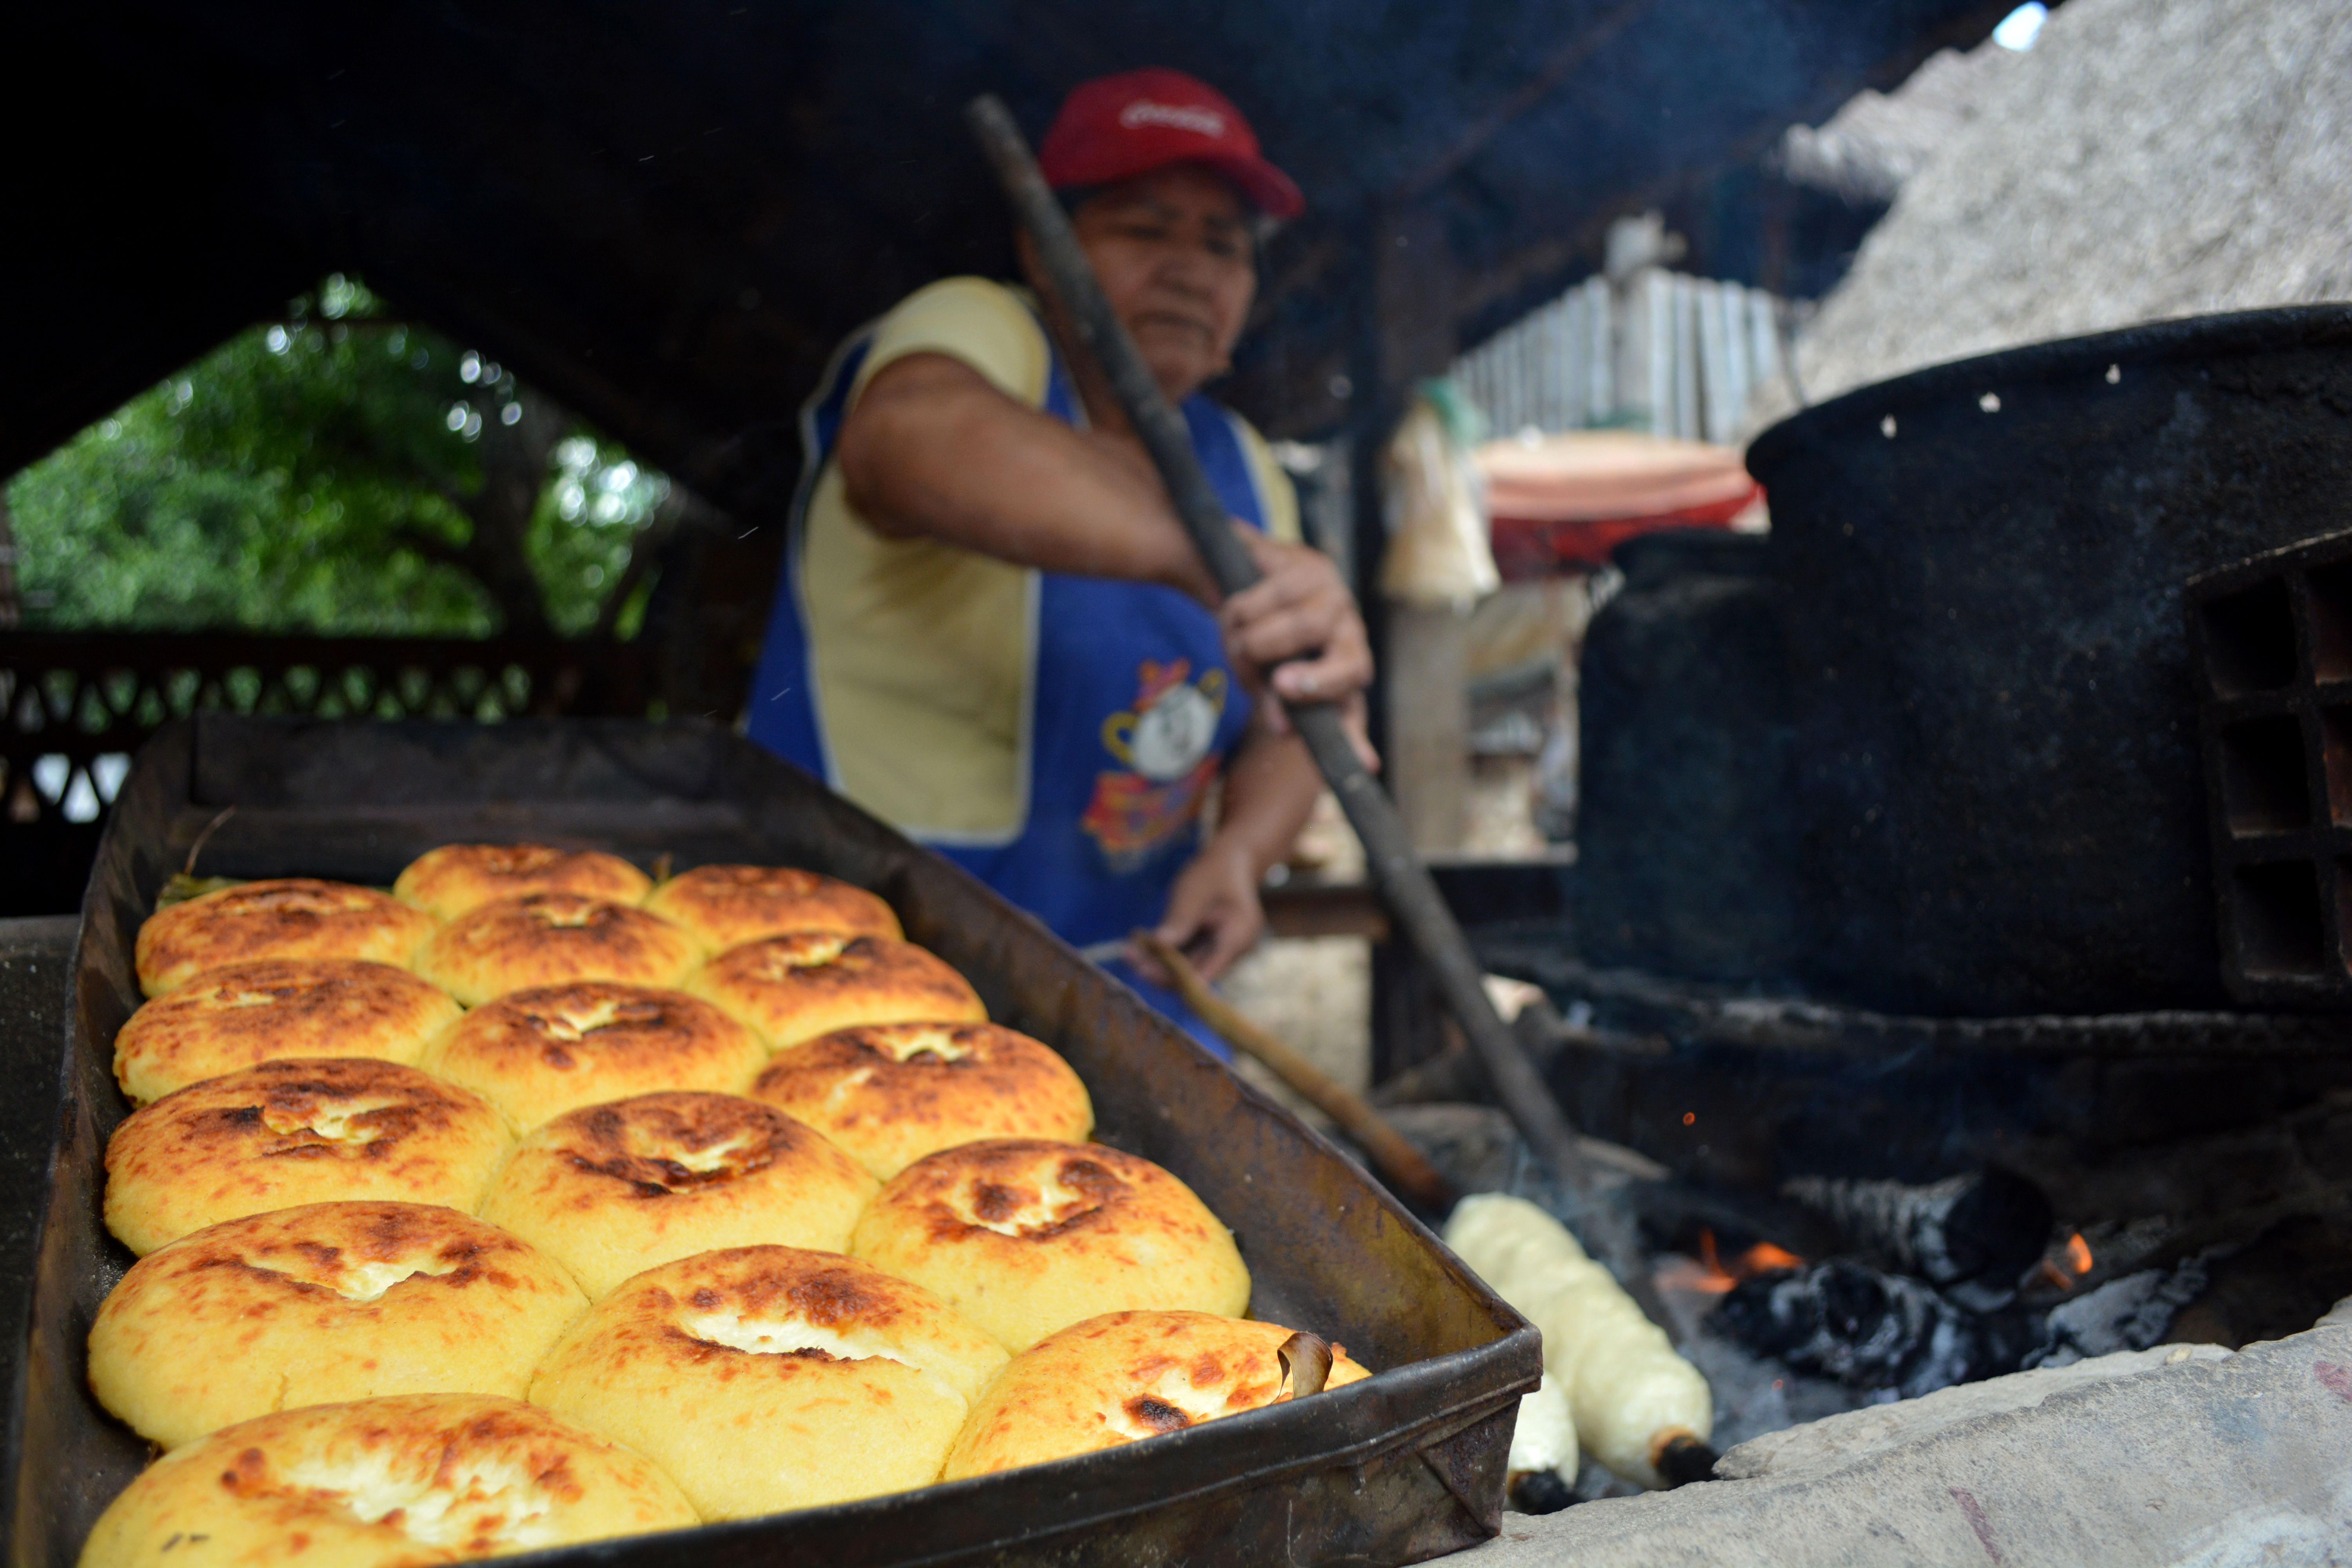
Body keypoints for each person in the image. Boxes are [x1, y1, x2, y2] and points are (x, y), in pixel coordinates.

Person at [746, 68, 1373, 1045]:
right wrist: (1214, 559)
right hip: (855, 976)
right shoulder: (976, 332)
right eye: (1144, 227)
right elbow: (907, 436)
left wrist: (1241, 856)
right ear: (1044, 251)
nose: (1189, 268)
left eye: (1223, 244)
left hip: (1125, 996)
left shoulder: (1249, 466)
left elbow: (1293, 722)